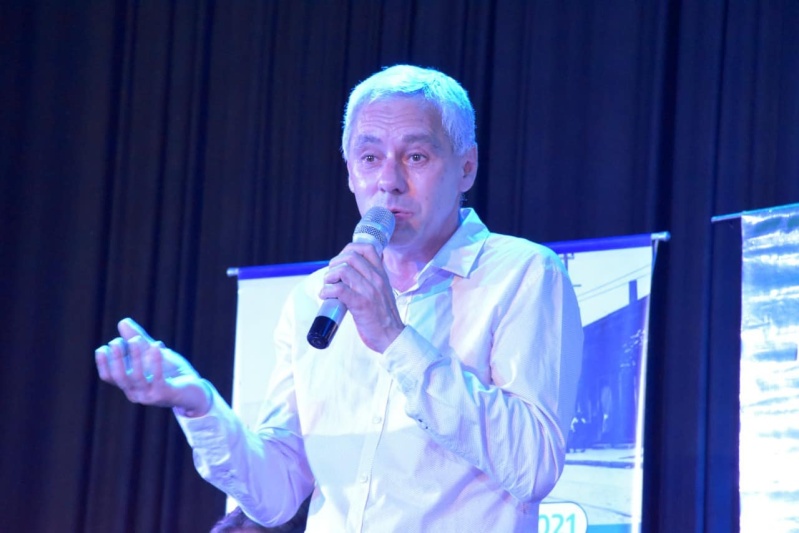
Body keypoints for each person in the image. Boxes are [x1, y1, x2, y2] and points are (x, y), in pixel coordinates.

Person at [95, 64, 583, 531]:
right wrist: (199, 405)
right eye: (370, 158)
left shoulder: (522, 273)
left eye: (416, 156)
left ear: (467, 167)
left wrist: (394, 339)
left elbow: (533, 465)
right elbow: (277, 496)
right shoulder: (314, 297)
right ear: (350, 173)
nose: (388, 180)